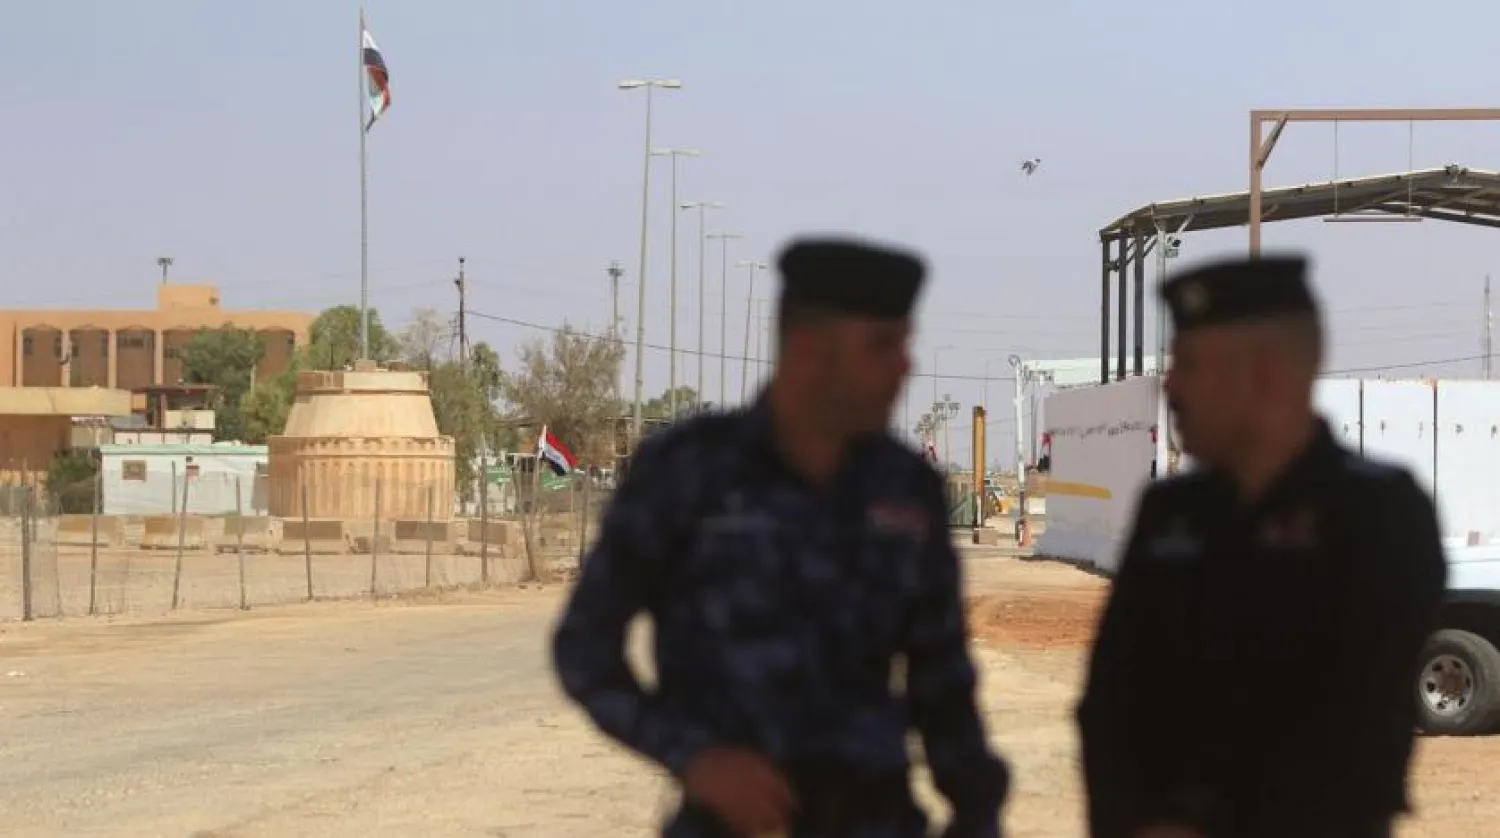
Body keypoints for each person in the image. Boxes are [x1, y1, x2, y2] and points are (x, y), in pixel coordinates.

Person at [552, 237, 1010, 837]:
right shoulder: (688, 472)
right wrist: (693, 756)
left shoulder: (905, 487)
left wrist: (976, 812)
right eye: (882, 346)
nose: (905, 366)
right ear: (808, 350)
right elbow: (584, 648)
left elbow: (941, 677)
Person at [1075, 254, 1448, 838]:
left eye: (1189, 364)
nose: (1169, 385)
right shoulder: (1169, 512)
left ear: (1266, 373)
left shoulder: (1379, 513)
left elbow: (1359, 720)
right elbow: (1111, 705)